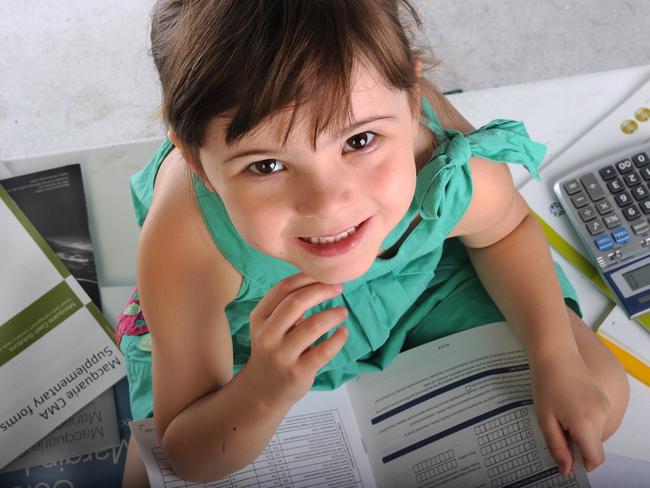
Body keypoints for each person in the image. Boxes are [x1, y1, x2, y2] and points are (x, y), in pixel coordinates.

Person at [118, 0, 629, 484]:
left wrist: (552, 355)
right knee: (154, 475)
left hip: (418, 284)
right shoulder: (185, 240)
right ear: (196, 162)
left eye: (358, 141)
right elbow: (186, 450)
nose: (329, 204)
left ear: (410, 103)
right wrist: (262, 391)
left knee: (597, 399)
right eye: (267, 165)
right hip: (254, 342)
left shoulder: (443, 163)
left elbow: (506, 229)